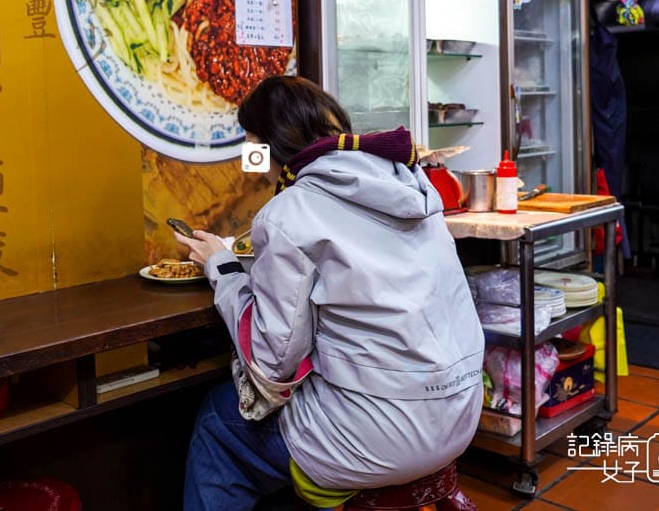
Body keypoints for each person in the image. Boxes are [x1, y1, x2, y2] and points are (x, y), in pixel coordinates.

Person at [174, 76, 484, 511]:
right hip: (459, 416)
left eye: (252, 146)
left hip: (378, 442)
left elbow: (272, 362)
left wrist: (222, 268)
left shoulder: (290, 211)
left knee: (217, 425)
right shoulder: (414, 187)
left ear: (271, 143)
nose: (254, 161)